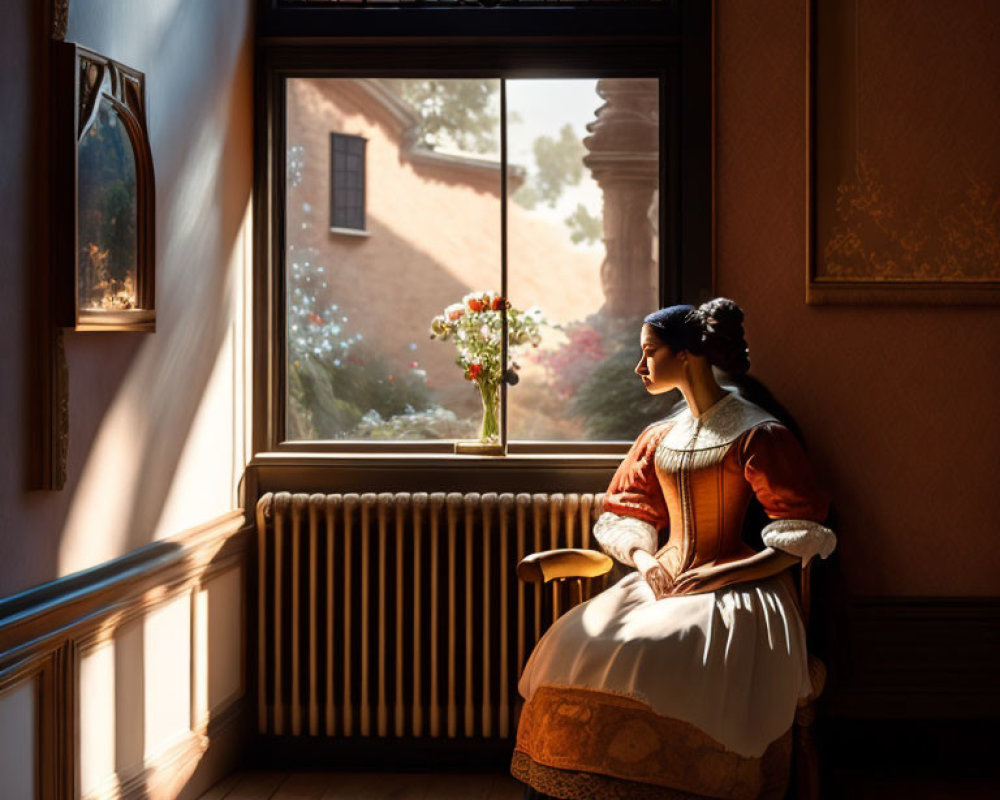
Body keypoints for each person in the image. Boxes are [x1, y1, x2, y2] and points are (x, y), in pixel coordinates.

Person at [511, 299, 836, 800]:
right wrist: (644, 561)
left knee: (669, 646)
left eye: (650, 353)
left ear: (687, 355)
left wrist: (720, 577)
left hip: (741, 585)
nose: (640, 367)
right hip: (662, 576)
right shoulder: (661, 435)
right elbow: (626, 510)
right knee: (584, 640)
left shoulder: (757, 432)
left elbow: (800, 529)